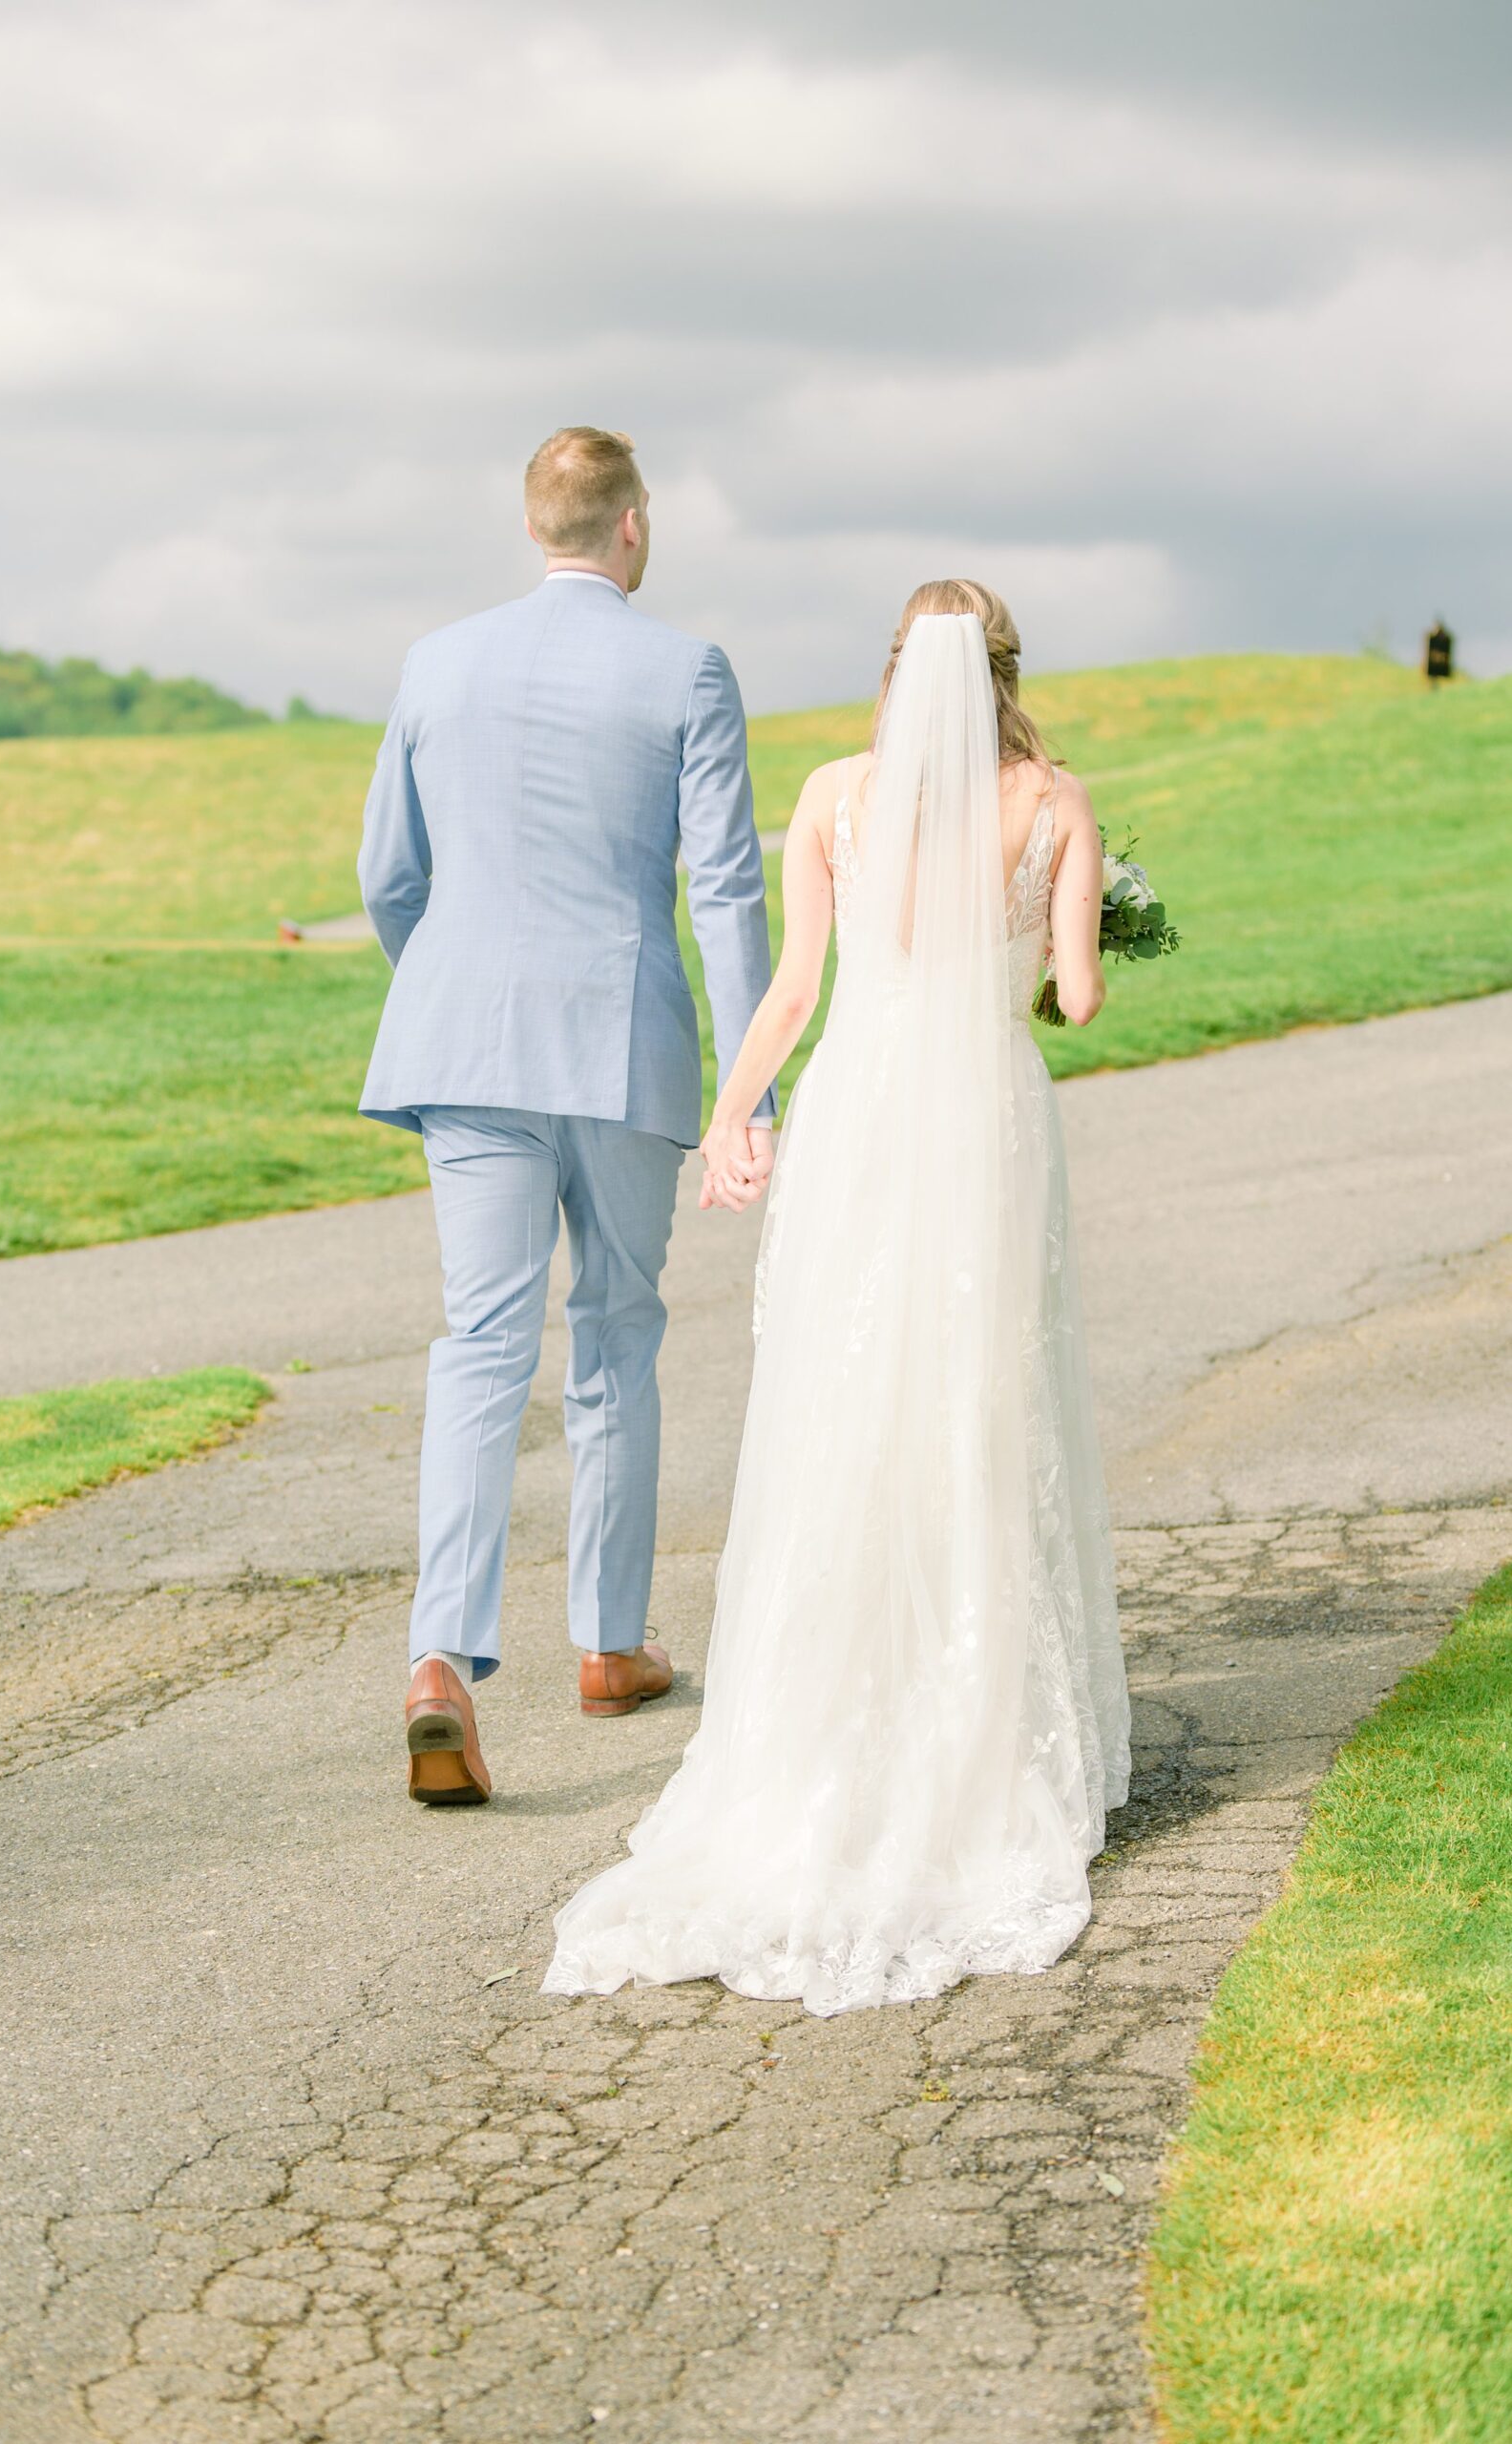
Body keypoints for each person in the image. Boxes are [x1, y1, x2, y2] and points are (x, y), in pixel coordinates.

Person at [546, 580, 1131, 2012]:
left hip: (859, 1120)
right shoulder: (1053, 802)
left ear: (894, 673)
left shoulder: (828, 794)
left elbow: (795, 985)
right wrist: (1096, 917)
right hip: (984, 1121)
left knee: (841, 1404)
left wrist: (735, 1120)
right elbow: (1078, 999)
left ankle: (818, 1733)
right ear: (1003, 671)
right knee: (979, 1404)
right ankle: (973, 1727)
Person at [356, 428, 776, 1803]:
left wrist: (455, 977)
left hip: (464, 1040)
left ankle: (438, 1659)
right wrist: (749, 1083)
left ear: (535, 526)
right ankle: (606, 1643)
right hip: (616, 1039)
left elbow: (388, 877)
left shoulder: (435, 662)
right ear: (634, 527)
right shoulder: (685, 669)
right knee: (615, 1332)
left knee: (481, 1340)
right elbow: (724, 889)